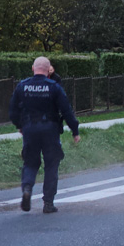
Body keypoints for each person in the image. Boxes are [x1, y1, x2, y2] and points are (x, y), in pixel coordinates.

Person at [9, 57, 80, 214]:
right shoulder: (54, 87)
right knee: (52, 164)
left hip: (30, 129)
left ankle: (27, 188)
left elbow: (13, 110)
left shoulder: (22, 86)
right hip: (50, 130)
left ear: (33, 68)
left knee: (30, 163)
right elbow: (66, 110)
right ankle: (48, 203)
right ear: (49, 70)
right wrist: (75, 130)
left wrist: (20, 126)